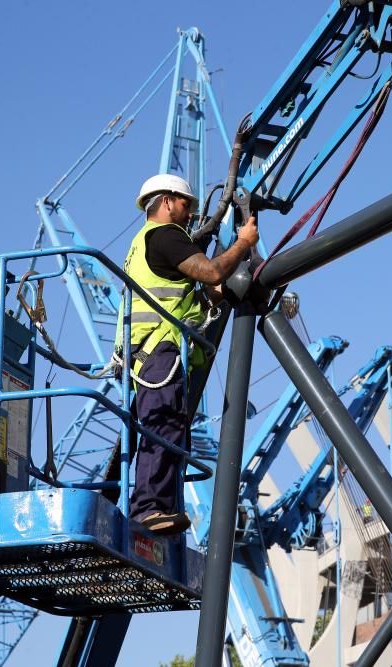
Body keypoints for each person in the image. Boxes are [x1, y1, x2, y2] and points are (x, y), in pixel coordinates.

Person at [111, 173, 259, 535]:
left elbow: (188, 298)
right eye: (186, 204)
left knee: (164, 426)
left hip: (147, 350)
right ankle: (148, 508)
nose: (191, 213)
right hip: (159, 349)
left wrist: (220, 292)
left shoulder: (141, 245)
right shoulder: (165, 235)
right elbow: (209, 271)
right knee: (162, 425)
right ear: (165, 202)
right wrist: (243, 243)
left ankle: (156, 506)